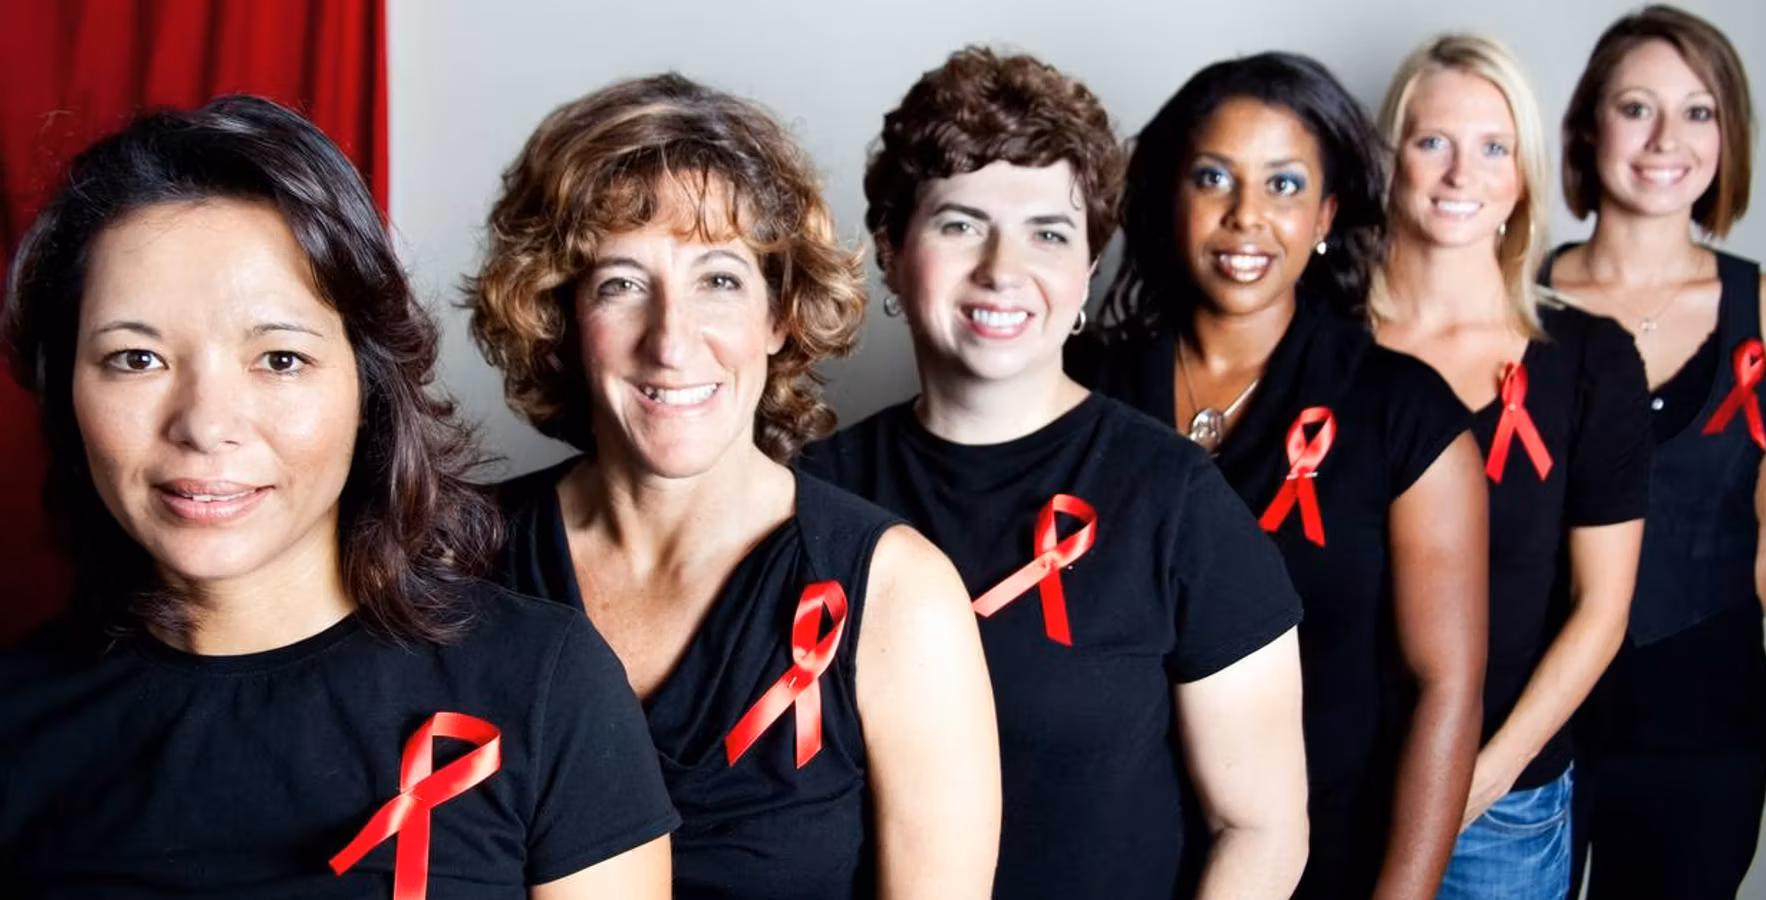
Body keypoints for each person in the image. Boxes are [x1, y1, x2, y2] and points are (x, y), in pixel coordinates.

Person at [0, 95, 676, 898]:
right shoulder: (15, 721)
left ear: (369, 385)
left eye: (280, 359)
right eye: (137, 359)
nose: (206, 425)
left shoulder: (543, 683)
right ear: (64, 388)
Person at [465, 74, 1002, 900]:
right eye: (621, 283)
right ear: (563, 315)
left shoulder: (900, 597)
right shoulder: (456, 559)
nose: (672, 342)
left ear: (780, 312)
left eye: (719, 279)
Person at [802, 47, 1308, 900]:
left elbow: (1261, 830)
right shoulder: (808, 497)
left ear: (1086, 271)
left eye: (1048, 232)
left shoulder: (1174, 499)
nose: (1004, 268)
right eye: (961, 223)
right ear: (891, 249)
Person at [1069, 52, 1489, 900]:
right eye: (1214, 178)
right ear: (1171, 199)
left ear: (1328, 211)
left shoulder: (1403, 411)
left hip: (1326, 857)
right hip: (1107, 857)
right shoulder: (1077, 381)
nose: (1246, 217)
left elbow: (1446, 688)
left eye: (1285, 186)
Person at [1367, 33, 1651, 900]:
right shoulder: (1319, 343)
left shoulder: (1590, 360)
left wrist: (1481, 778)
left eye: (1493, 149)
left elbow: (1601, 610)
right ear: (1390, 159)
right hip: (1328, 787)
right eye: (1433, 144)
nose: (1463, 176)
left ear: (1523, 173)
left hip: (1501, 808)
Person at [1546, 7, 1766, 897]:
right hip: (1533, 724)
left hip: (1701, 731)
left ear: (1727, 135)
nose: (1666, 140)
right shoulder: (1518, 306)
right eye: (1637, 107)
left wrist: (1676, 661)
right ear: (1589, 126)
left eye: (1698, 112)